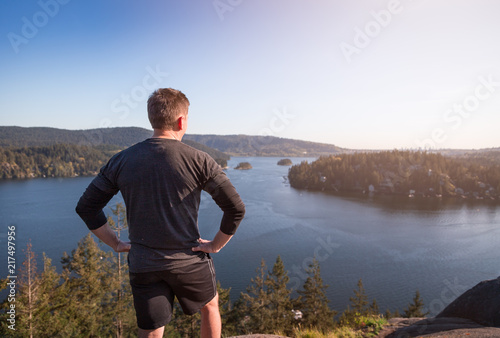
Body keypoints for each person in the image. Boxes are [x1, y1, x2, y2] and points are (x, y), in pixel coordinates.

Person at [75, 88, 245, 338]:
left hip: (143, 263)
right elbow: (235, 208)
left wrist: (115, 243)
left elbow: (86, 207)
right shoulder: (199, 160)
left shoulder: (122, 160)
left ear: (151, 118)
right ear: (181, 121)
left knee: (151, 327)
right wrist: (215, 245)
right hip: (189, 259)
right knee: (209, 306)